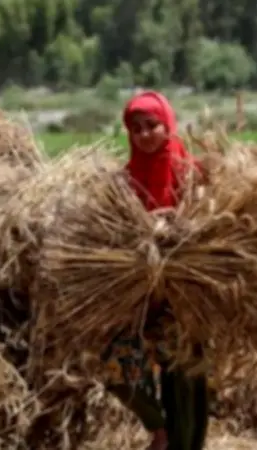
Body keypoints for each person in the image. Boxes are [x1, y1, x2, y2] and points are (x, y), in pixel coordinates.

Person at [101, 91, 210, 450]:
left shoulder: (191, 174)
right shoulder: (124, 181)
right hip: (137, 295)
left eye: (152, 125)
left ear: (168, 125)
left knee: (184, 380)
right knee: (116, 368)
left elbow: (207, 224)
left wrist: (173, 231)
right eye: (136, 129)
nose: (145, 134)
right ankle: (157, 428)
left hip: (184, 296)